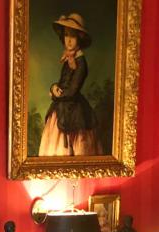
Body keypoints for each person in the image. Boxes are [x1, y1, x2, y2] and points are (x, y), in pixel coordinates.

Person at [37, 13, 100, 157]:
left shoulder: (81, 63)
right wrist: (54, 87)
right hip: (61, 106)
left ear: (79, 38)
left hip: (74, 109)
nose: (69, 40)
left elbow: (72, 90)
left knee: (75, 146)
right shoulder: (67, 58)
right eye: (66, 35)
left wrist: (57, 95)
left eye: (73, 36)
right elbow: (62, 82)